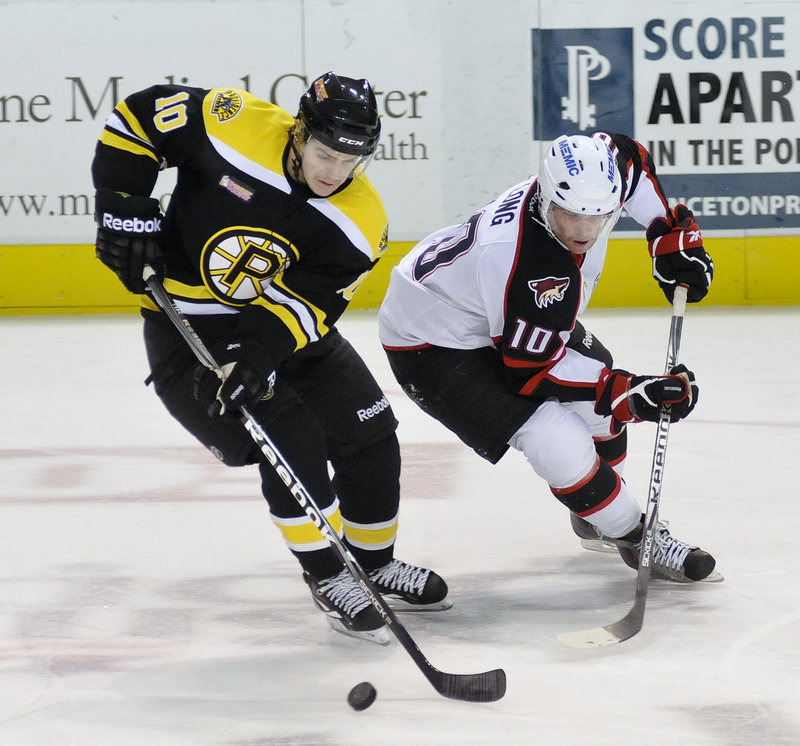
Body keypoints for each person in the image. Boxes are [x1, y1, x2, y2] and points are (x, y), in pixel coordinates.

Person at [91, 72, 451, 646]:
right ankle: (330, 577)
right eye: (325, 153)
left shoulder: (361, 220)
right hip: (188, 333)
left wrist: (255, 357)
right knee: (290, 434)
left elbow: (305, 307)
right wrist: (123, 210)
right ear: (300, 131)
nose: (335, 172)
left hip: (277, 331)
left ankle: (374, 563)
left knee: (371, 428)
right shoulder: (232, 124)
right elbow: (137, 119)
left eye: (351, 161)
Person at [378, 132, 719, 583]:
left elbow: (631, 160)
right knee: (554, 439)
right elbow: (528, 371)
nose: (584, 231)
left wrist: (665, 233)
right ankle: (637, 536)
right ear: (545, 194)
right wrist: (627, 393)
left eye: (597, 216)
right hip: (431, 343)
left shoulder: (593, 184)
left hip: (487, 308)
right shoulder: (527, 261)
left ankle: (599, 511)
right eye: (571, 215)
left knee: (599, 413)